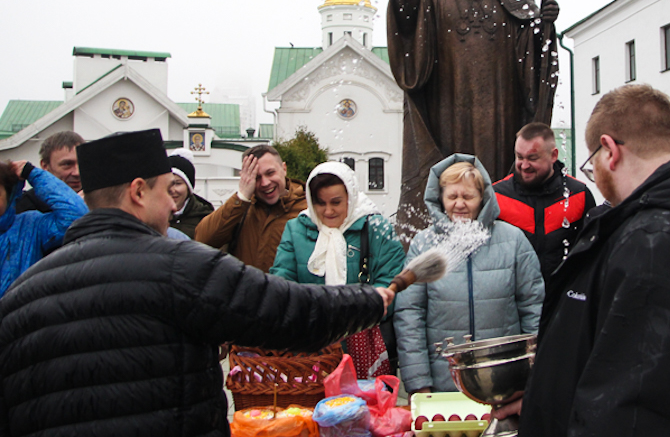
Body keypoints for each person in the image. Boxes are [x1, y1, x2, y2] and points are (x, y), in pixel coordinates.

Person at [0, 129, 394, 437]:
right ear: (138, 191)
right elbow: (287, 310)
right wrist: (372, 300)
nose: (174, 205)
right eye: (163, 191)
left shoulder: (21, 297)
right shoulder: (179, 267)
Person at [508, 84, 670, 436]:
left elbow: (635, 409)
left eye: (592, 162)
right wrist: (549, 397)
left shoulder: (660, 242)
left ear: (610, 151)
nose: (595, 176)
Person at [387, 0, 560, 234]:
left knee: (496, 179)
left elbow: (533, 58)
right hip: (444, 106)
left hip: (500, 111)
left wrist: (544, 28)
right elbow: (407, 36)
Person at [394, 154, 544, 394]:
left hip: (505, 379)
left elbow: (533, 308)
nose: (460, 204)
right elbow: (409, 315)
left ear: (482, 199)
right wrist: (419, 382)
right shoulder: (424, 244)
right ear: (440, 199)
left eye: (468, 196)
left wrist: (534, 372)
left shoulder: (513, 241)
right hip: (444, 380)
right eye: (452, 196)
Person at [271, 161, 406, 378]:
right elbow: (282, 281)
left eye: (336, 202)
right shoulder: (296, 229)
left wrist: (359, 311)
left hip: (363, 346)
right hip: (310, 350)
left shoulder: (376, 228)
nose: (328, 211)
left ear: (350, 198)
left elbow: (390, 280)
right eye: (320, 203)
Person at [493, 122, 596, 280]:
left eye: (532, 158)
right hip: (513, 298)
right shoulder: (497, 195)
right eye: (519, 157)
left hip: (562, 297)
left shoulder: (579, 194)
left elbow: (592, 254)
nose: (524, 165)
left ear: (554, 155)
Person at [195, 144, 306, 272]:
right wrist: (241, 197)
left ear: (284, 168)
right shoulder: (241, 208)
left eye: (270, 173)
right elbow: (203, 240)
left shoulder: (306, 208)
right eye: (256, 177)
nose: (265, 183)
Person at [0, 159, 88, 296]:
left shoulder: (29, 225)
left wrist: (33, 174)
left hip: (21, 313)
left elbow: (76, 217)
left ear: (8, 194)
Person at [16, 130, 84, 213]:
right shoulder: (25, 207)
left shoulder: (99, 201)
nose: (77, 173)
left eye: (82, 163)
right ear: (45, 166)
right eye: (67, 164)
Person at [167, 148, 214, 238]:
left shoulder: (204, 218)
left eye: (178, 183)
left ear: (188, 187)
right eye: (168, 184)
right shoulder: (152, 216)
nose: (172, 190)